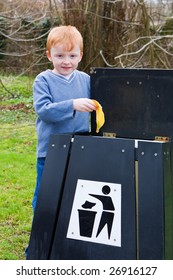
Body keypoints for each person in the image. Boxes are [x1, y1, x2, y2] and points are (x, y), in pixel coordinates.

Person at [32, 25, 97, 211]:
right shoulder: (43, 80)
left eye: (72, 56)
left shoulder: (86, 79)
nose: (66, 61)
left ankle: (65, 238)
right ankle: (40, 239)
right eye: (60, 56)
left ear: (81, 56)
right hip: (50, 152)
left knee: (75, 195)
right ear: (49, 55)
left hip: (80, 149)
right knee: (46, 194)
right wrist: (72, 104)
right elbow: (44, 110)